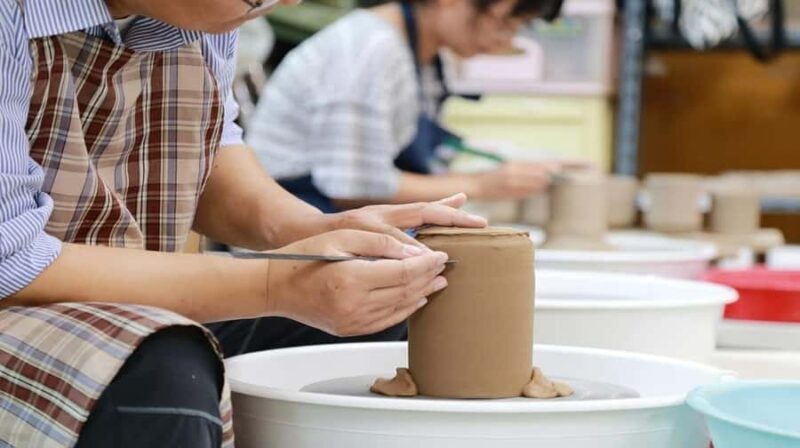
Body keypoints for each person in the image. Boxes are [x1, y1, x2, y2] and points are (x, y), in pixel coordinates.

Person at [0, 1, 487, 447]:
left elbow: (206, 153)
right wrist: (280, 284)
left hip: (130, 297)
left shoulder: (205, 15)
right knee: (163, 367)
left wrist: (314, 234)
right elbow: (13, 261)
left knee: (382, 308)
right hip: (22, 302)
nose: (289, 3)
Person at [247, 0, 567, 213]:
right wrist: (482, 185)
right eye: (504, 20)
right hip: (289, 233)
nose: (506, 39)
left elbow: (424, 151)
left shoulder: (424, 52)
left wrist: (527, 162)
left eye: (521, 25)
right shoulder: (369, 50)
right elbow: (353, 188)